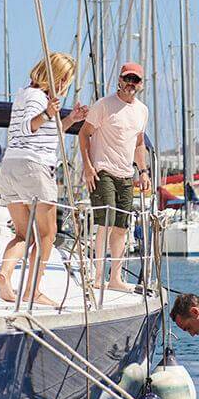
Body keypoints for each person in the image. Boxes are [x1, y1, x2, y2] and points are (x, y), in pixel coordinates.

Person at [0, 52, 87, 307]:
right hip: (33, 167)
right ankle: (33, 291)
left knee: (25, 233)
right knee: (48, 233)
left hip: (10, 166)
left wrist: (71, 119)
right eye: (64, 79)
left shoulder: (24, 95)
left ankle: (5, 274)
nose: (64, 85)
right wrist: (48, 112)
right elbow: (30, 126)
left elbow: (47, 132)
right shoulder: (38, 97)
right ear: (55, 75)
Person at [78, 62, 150, 292]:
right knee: (105, 223)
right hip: (103, 170)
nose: (130, 83)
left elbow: (139, 143)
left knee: (122, 228)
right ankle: (98, 276)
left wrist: (143, 171)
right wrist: (88, 167)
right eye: (127, 79)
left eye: (135, 80)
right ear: (119, 79)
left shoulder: (142, 110)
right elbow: (84, 134)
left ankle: (115, 279)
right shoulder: (104, 105)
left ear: (140, 84)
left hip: (126, 174)